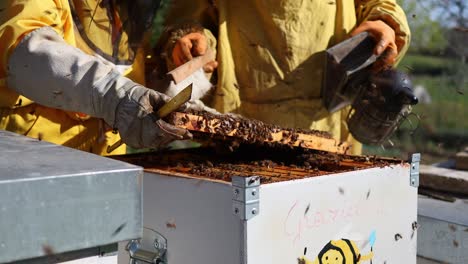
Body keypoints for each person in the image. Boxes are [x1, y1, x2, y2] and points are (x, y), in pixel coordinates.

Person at [155, 0, 411, 155]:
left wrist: (383, 23)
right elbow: (191, 21)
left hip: (330, 126)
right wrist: (192, 42)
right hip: (241, 127)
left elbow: (381, 6)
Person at [0, 0, 218, 155]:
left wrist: (167, 71)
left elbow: (124, 75)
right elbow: (27, 54)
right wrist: (117, 98)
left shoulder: (124, 12)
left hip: (106, 160)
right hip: (34, 154)